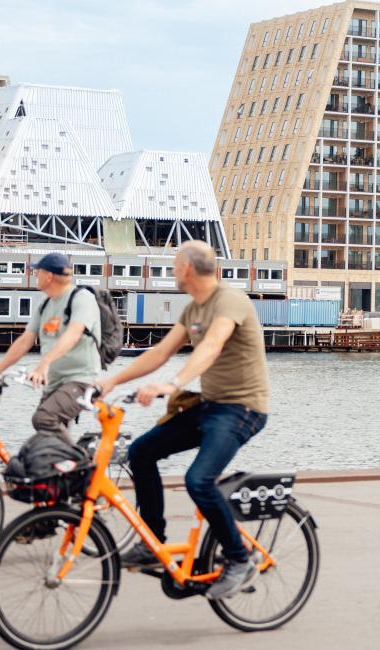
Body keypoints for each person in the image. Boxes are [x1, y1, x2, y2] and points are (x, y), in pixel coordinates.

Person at [94, 241, 269, 600]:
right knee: (141, 452)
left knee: (199, 480)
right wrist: (111, 381)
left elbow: (213, 345)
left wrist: (174, 384)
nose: (172, 272)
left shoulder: (229, 301)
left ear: (187, 269)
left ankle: (239, 557)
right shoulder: (194, 309)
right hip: (210, 405)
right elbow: (160, 352)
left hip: (242, 408)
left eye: (174, 266)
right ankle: (151, 539)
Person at [0, 252, 101, 443]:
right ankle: (65, 469)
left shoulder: (82, 298)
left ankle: (79, 463)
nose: (34, 276)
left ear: (49, 276)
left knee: (44, 418)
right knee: (46, 440)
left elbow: (73, 334)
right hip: (54, 384)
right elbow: (25, 340)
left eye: (37, 272)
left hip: (81, 381)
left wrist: (44, 364)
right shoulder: (45, 304)